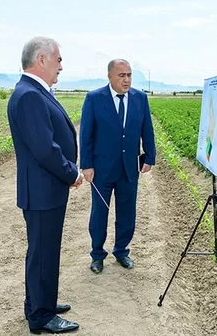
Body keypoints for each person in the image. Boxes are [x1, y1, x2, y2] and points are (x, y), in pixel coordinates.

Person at [7, 37, 82, 335]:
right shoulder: (29, 95)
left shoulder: (33, 91)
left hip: (44, 189)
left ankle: (40, 302)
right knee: (43, 253)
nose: (61, 66)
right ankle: (40, 316)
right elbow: (45, 148)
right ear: (41, 59)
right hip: (42, 191)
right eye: (58, 60)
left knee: (43, 251)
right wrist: (71, 173)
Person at [80, 58, 156, 274]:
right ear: (110, 76)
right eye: (122, 75)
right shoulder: (95, 98)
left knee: (127, 212)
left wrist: (149, 156)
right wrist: (86, 165)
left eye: (129, 75)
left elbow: (146, 129)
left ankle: (121, 251)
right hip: (101, 169)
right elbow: (86, 133)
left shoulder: (140, 98)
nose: (127, 79)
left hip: (128, 168)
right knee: (99, 213)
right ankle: (97, 254)